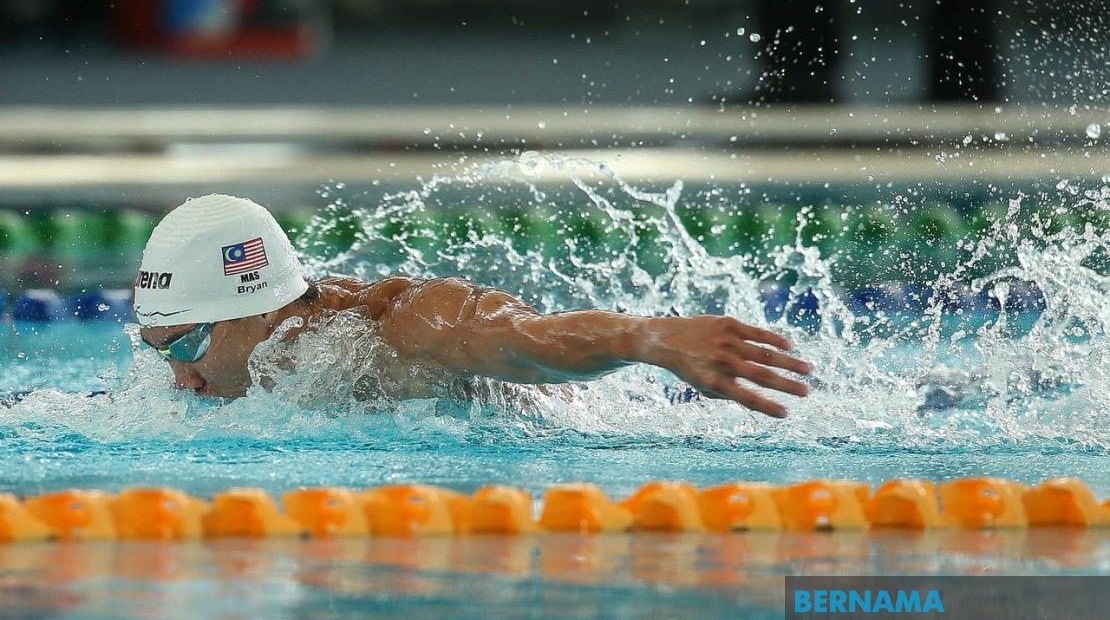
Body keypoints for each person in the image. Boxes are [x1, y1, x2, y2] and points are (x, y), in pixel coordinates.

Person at [133, 194, 812, 417]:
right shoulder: (263, 356)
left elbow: (527, 340)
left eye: (187, 346)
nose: (180, 380)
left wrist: (648, 339)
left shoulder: (401, 326)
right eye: (161, 351)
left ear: (262, 311)